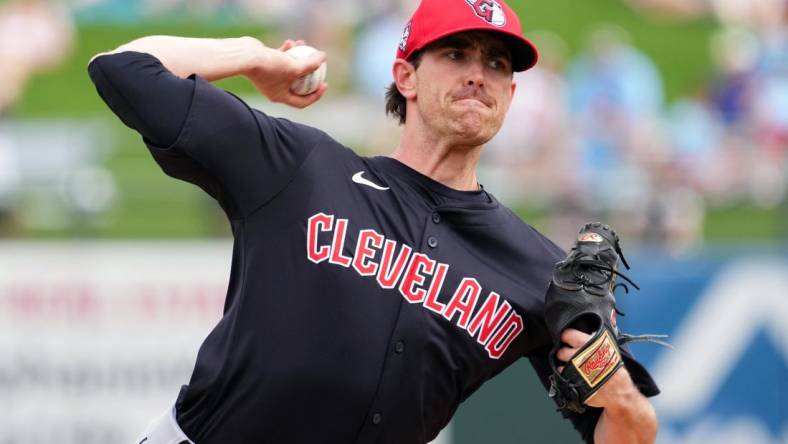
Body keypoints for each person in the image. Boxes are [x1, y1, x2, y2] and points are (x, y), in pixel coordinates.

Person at [87, 0, 659, 443]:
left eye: (496, 63)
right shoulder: (302, 168)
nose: (477, 73)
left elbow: (626, 429)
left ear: (510, 94)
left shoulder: (536, 267)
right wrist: (260, 58)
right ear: (405, 77)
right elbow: (122, 69)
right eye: (456, 54)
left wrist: (625, 404)